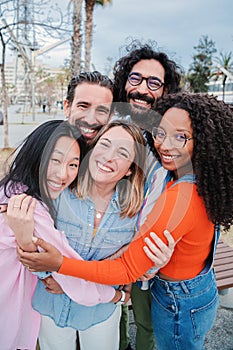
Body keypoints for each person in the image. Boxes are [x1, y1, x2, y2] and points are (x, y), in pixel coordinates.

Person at [20, 93, 233, 350]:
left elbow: (129, 268)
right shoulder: (60, 192)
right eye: (161, 133)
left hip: (151, 305)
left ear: (131, 168)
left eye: (181, 136)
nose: (165, 145)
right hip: (54, 306)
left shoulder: (144, 210)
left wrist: (64, 269)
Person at [0, 120, 122, 350]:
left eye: (73, 164)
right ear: (36, 154)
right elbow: (70, 273)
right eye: (54, 160)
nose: (62, 173)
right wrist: (117, 297)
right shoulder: (30, 208)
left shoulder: (12, 188)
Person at [113, 39, 182, 350]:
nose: (142, 89)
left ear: (166, 92)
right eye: (135, 78)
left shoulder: (171, 142)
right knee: (112, 314)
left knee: (146, 321)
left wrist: (138, 261)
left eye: (154, 82)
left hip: (149, 252)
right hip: (106, 244)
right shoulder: (109, 128)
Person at [64, 71, 114, 143]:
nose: (90, 121)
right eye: (83, 106)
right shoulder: (45, 145)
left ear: (110, 116)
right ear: (67, 107)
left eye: (101, 111)